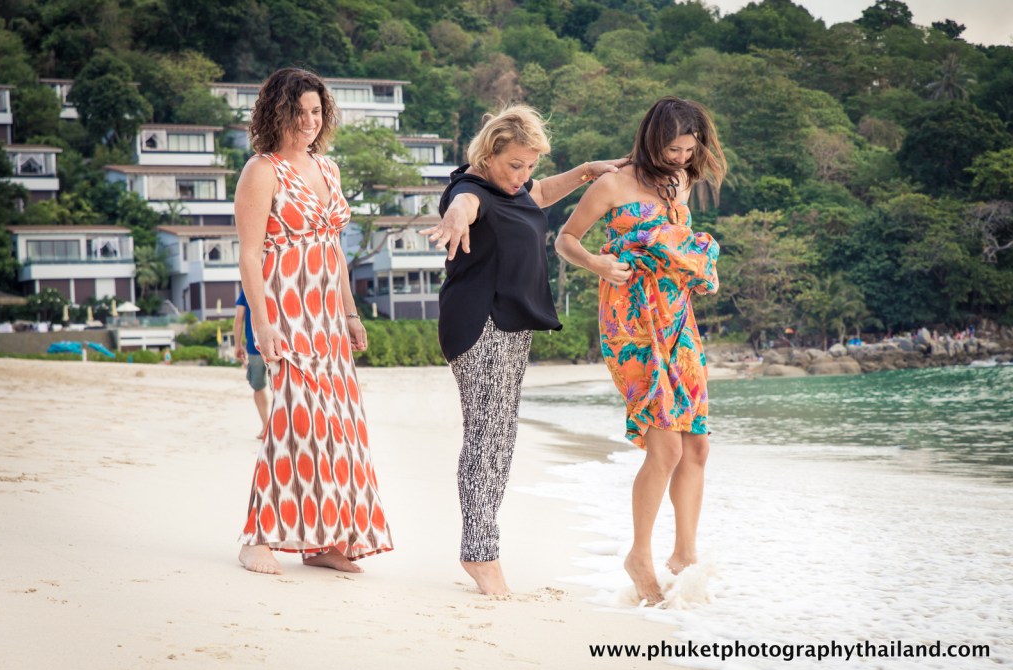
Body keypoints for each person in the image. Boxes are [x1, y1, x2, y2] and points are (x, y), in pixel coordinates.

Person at [421, 104, 624, 595]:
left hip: (510, 326)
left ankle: (482, 547)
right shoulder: (473, 190)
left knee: (502, 438)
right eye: (516, 164)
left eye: (530, 165)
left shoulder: (512, 188)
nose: (524, 175)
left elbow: (543, 193)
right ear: (489, 155)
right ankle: (480, 553)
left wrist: (586, 172)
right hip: (480, 324)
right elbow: (463, 206)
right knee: (486, 440)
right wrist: (453, 218)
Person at [555, 96, 727, 605]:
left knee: (696, 443)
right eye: (672, 148)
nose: (679, 158)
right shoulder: (613, 182)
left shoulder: (683, 182)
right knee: (665, 445)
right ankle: (640, 556)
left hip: (677, 317)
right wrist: (598, 265)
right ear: (653, 139)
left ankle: (685, 555)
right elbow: (566, 240)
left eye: (688, 149)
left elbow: (676, 244)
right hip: (630, 319)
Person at [234, 67, 393, 576]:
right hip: (288, 312)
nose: (307, 121)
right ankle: (258, 536)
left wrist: (349, 311)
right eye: (298, 111)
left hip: (327, 316)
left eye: (315, 112)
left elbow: (335, 250)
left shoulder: (329, 170)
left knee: (337, 428)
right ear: (277, 112)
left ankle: (324, 540)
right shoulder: (262, 170)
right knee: (292, 422)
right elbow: (250, 257)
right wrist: (262, 322)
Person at [233, 288, 272, 439]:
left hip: (255, 346)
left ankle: (266, 426)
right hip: (280, 345)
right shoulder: (276, 282)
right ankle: (279, 426)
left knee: (258, 386)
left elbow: (239, 317)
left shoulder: (249, 286)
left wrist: (237, 344)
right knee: (281, 386)